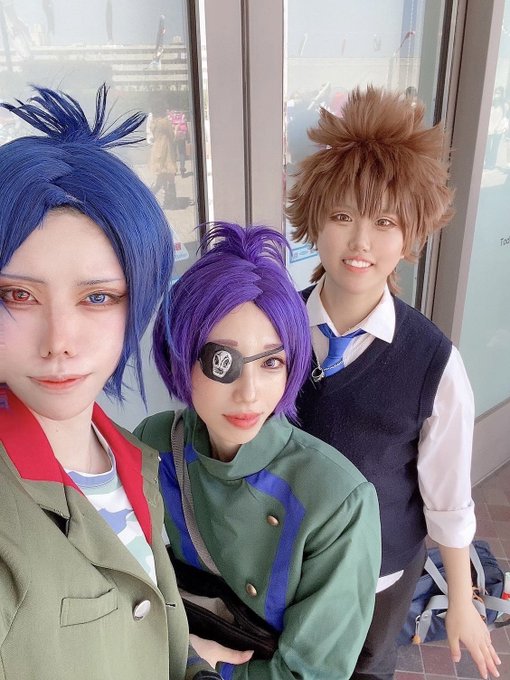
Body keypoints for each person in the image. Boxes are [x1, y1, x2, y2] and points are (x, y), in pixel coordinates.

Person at [0, 85, 219, 680]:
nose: (59, 340)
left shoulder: (130, 455)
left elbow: (151, 614)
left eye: (97, 297)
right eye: (18, 295)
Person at [286, 85, 501, 680]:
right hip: (279, 563)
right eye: (342, 216)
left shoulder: (434, 363)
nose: (361, 242)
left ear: (410, 234)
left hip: (378, 577)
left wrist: (462, 599)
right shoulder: (272, 328)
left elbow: (447, 496)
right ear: (314, 219)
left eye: (385, 222)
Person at [134, 221, 381, 679]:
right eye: (221, 361)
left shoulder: (336, 500)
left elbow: (312, 673)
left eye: (271, 361)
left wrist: (202, 668)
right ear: (179, 358)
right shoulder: (154, 443)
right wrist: (177, 646)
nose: (249, 394)